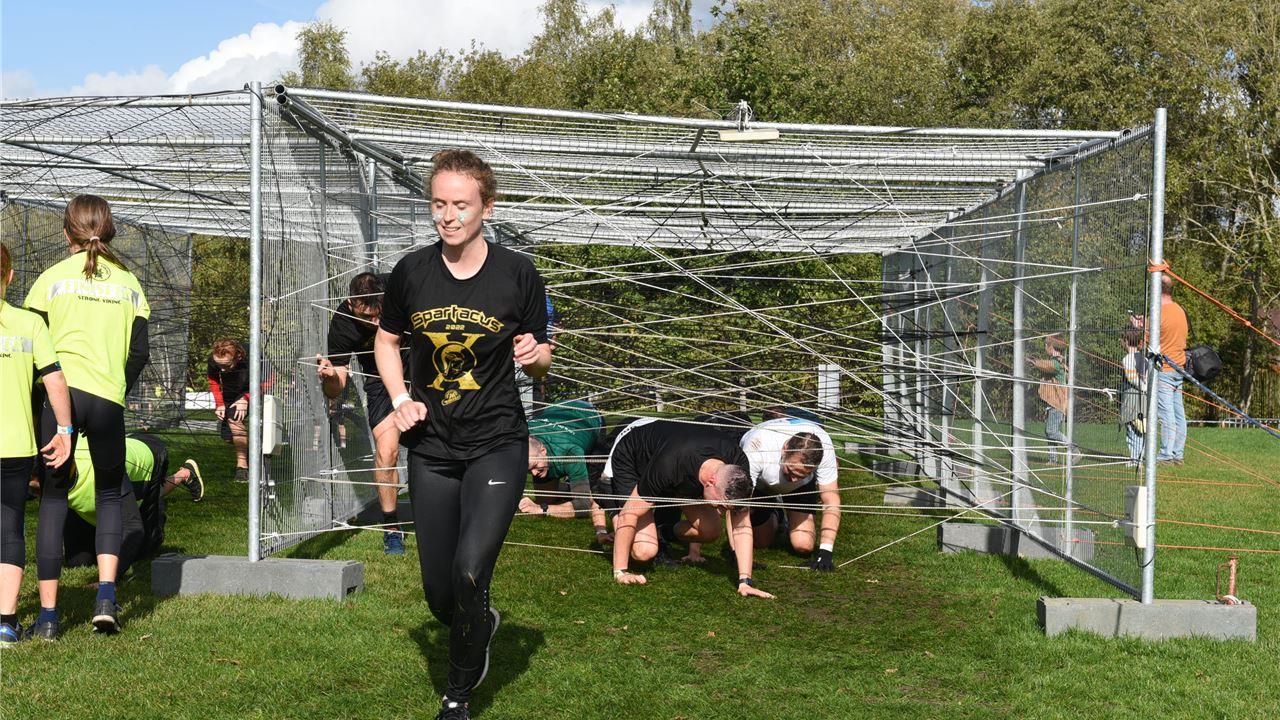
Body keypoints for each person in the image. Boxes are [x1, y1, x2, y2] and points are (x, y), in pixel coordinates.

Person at [374, 149, 552, 720]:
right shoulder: (411, 272)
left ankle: (457, 695)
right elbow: (386, 341)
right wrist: (399, 400)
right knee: (440, 594)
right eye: (438, 204)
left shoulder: (518, 274)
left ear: (487, 207)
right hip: (432, 447)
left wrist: (534, 356)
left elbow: (543, 357)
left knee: (471, 570)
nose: (448, 216)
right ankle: (480, 621)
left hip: (497, 440)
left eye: (460, 205)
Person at [24, 194, 150, 637]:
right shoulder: (130, 284)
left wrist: (37, 402)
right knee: (110, 495)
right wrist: (115, 389)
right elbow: (140, 352)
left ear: (66, 233)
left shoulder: (50, 279)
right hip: (107, 399)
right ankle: (107, 598)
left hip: (60, 397)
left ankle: (47, 617)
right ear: (109, 230)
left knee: (53, 498)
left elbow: (32, 349)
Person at [603, 418, 772, 599]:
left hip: (682, 466)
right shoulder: (670, 464)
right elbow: (629, 515)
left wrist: (745, 581)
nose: (723, 512)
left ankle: (662, 532)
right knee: (644, 551)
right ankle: (607, 497)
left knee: (711, 531)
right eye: (721, 505)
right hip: (634, 457)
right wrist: (621, 572)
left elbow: (742, 525)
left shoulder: (738, 469)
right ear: (711, 482)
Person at [0, 242, 74, 645]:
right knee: (9, 529)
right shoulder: (29, 324)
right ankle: (6, 624)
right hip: (14, 446)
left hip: (14, 448)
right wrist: (65, 430)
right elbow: (55, 379)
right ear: (10, 277)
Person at [316, 272, 407, 555]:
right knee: (387, 452)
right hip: (380, 379)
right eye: (367, 317)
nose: (376, 322)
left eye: (379, 313)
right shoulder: (343, 323)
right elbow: (337, 386)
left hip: (424, 370)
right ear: (350, 303)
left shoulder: (403, 286)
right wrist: (330, 377)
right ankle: (392, 529)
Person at [59, 433, 203, 578]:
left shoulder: (104, 468)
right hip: (106, 475)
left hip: (147, 456)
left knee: (142, 548)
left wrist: (110, 579)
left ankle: (182, 476)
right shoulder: (55, 458)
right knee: (78, 561)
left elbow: (133, 529)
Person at [737, 416, 842, 571]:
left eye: (803, 474)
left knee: (804, 545)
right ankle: (776, 512)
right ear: (785, 448)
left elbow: (831, 498)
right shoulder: (757, 446)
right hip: (761, 485)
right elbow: (738, 503)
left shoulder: (824, 447)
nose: (793, 479)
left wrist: (826, 551)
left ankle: (786, 514)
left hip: (801, 489)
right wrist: (735, 552)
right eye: (790, 471)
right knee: (761, 541)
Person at [521, 399, 610, 541]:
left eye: (535, 466)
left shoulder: (570, 453)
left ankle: (580, 486)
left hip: (589, 417)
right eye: (529, 469)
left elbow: (583, 507)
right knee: (545, 499)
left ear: (543, 451)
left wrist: (542, 509)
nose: (533, 474)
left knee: (593, 492)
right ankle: (570, 487)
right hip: (556, 409)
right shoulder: (518, 441)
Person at [207, 339, 250, 482]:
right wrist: (219, 404)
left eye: (226, 365)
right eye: (219, 366)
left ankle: (242, 468)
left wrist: (246, 398)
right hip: (230, 392)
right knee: (227, 436)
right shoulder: (214, 360)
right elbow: (213, 380)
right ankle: (254, 451)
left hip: (253, 390)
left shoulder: (252, 355)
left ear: (238, 356)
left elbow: (270, 379)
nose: (222, 370)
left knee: (234, 418)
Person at [1029, 334, 1073, 461]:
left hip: (1057, 404)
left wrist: (1034, 362)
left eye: (1046, 345)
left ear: (1052, 347)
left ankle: (1072, 448)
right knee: (1049, 432)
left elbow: (1048, 366)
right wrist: (1034, 361)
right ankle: (1052, 459)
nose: (1045, 347)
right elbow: (1046, 365)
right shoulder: (1055, 361)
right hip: (1052, 403)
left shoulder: (1057, 363)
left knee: (1051, 431)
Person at [1118, 328, 1148, 466]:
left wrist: (1142, 387)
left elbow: (1132, 378)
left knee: (1132, 428)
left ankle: (1135, 459)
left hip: (1132, 396)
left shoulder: (1127, 358)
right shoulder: (1144, 358)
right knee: (1141, 428)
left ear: (1126, 341)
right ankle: (1139, 457)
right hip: (1144, 397)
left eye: (1121, 339)